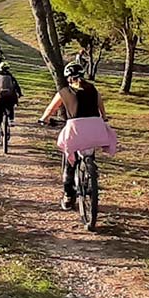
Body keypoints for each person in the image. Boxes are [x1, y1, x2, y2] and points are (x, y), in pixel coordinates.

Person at [40, 62, 109, 210]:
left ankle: (68, 196)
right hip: (96, 128)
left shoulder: (63, 92)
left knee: (69, 160)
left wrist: (44, 119)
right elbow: (101, 109)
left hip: (76, 129)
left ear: (68, 78)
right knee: (89, 149)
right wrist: (103, 118)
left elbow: (50, 109)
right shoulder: (93, 89)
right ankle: (91, 174)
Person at [0, 61, 23, 145]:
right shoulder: (11, 77)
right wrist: (20, 94)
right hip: (10, 98)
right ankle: (11, 119)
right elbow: (17, 86)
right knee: (11, 106)